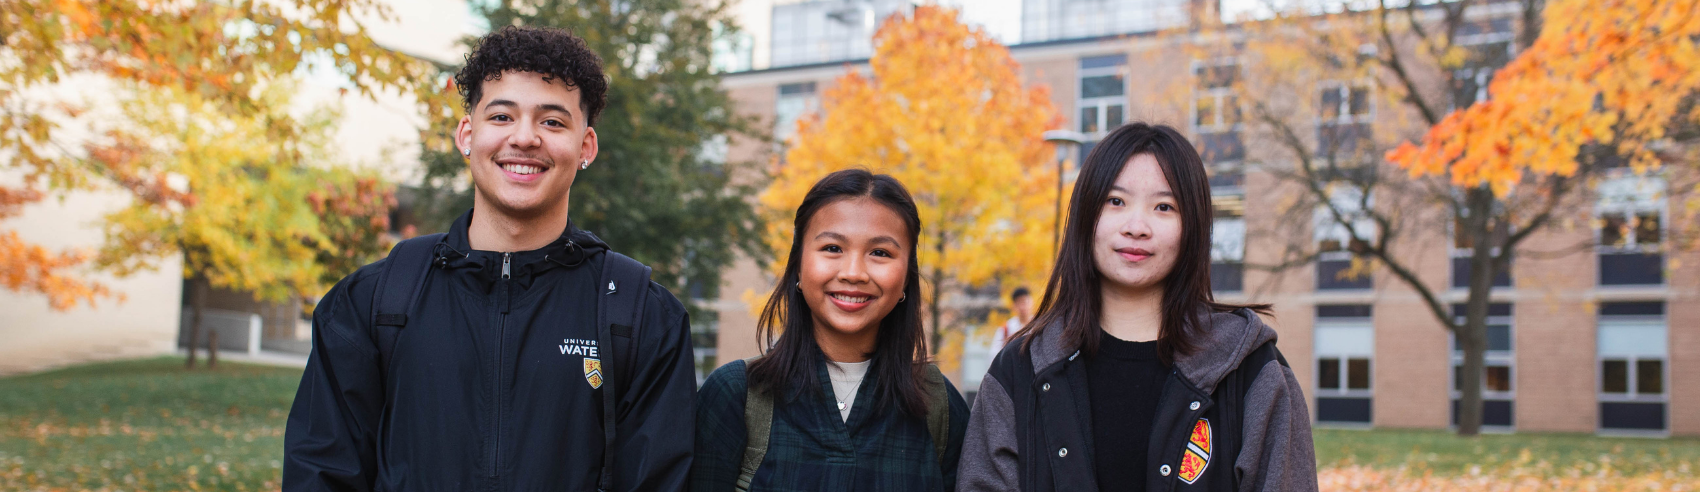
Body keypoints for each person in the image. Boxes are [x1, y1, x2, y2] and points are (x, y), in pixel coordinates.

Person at [283, 26, 696, 491]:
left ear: (586, 147)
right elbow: (321, 475)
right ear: (467, 134)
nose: (524, 138)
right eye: (501, 116)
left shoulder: (642, 317)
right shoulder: (371, 303)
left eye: (553, 122)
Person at [960, 123, 1317, 492]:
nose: (1136, 226)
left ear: (1192, 227)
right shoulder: (1020, 369)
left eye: (1164, 207)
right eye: (1116, 201)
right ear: (1085, 217)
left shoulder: (1250, 370)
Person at [689, 169, 970, 492]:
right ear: (798, 263)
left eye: (880, 253)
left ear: (907, 275)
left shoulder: (938, 405)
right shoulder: (736, 395)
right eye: (833, 248)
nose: (853, 273)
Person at [990, 287, 1034, 356]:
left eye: (1024, 302)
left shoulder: (1039, 326)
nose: (1022, 307)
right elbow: (994, 355)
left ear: (1031, 302)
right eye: (1019, 303)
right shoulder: (1006, 329)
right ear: (1014, 306)